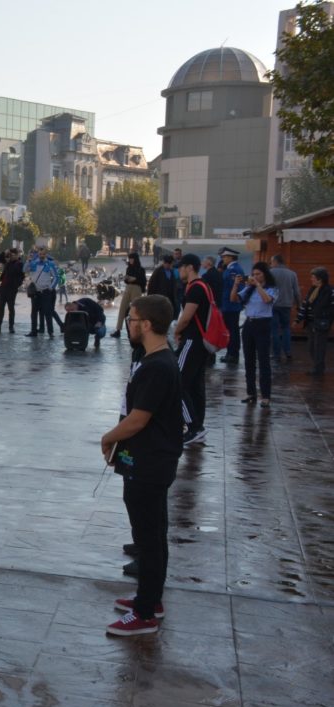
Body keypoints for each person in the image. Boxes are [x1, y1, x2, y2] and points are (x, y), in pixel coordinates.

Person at [102, 295, 183, 636]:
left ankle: (145, 613)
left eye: (132, 318)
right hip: (152, 460)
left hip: (149, 464)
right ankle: (151, 597)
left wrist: (107, 438)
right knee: (154, 534)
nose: (129, 323)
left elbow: (137, 420)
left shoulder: (157, 366)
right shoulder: (159, 360)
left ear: (146, 324)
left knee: (148, 537)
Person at [171, 254, 212, 445]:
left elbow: (186, 317)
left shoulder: (196, 288)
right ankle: (197, 426)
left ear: (189, 268)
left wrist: (177, 332)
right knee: (195, 385)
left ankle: (194, 426)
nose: (179, 271)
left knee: (175, 382)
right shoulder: (204, 286)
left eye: (181, 268)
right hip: (200, 342)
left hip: (192, 341)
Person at [232, 262, 278, 408]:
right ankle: (251, 393)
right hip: (249, 324)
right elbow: (233, 299)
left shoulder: (272, 288)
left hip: (263, 324)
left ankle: (265, 396)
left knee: (263, 361)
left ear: (265, 274)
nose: (255, 277)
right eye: (254, 274)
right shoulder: (249, 289)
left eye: (258, 274)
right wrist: (236, 284)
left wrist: (258, 285)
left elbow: (267, 300)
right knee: (248, 360)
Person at [298, 266, 332, 377]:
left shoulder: (329, 291)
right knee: (312, 346)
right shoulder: (313, 289)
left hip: (322, 323)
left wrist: (328, 319)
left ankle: (318, 369)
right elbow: (306, 303)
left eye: (313, 277)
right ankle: (317, 367)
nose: (311, 279)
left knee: (319, 346)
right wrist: (299, 318)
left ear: (320, 279)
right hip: (311, 322)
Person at [268, 255, 300, 363]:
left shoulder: (270, 272)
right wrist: (299, 304)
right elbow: (296, 291)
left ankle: (276, 354)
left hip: (272, 305)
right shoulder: (292, 274)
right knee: (286, 328)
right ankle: (288, 352)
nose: (270, 264)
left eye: (271, 262)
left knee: (274, 330)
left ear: (275, 262)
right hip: (287, 305)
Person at [218, 247, 246, 366]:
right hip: (228, 304)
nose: (223, 259)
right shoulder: (231, 269)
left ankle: (233, 354)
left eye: (224, 257)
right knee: (231, 330)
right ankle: (231, 353)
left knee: (232, 331)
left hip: (231, 305)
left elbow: (237, 288)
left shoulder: (234, 270)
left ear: (230, 257)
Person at [110, 253, 147, 338]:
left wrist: (135, 279)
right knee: (122, 308)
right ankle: (118, 330)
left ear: (135, 259)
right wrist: (127, 279)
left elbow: (143, 281)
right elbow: (126, 281)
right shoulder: (128, 268)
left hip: (136, 289)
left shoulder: (141, 270)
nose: (130, 260)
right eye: (129, 259)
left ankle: (137, 330)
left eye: (132, 259)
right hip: (128, 288)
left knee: (136, 310)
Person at [26, 246, 58, 338]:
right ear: (38, 255)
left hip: (45, 291)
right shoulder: (34, 263)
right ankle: (33, 331)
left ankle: (50, 332)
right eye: (40, 254)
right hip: (35, 292)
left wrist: (51, 288)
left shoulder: (50, 264)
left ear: (46, 254)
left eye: (43, 254)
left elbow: (56, 277)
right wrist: (28, 261)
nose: (41, 256)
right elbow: (24, 270)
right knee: (34, 312)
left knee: (47, 312)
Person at [0, 248, 24, 334]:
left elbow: (20, 276)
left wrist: (16, 285)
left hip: (11, 289)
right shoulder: (8, 261)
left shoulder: (19, 264)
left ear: (17, 255)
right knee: (1, 308)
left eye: (13, 255)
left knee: (11, 308)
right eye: (10, 254)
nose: (11, 256)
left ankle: (11, 326)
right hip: (3, 288)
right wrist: (5, 252)